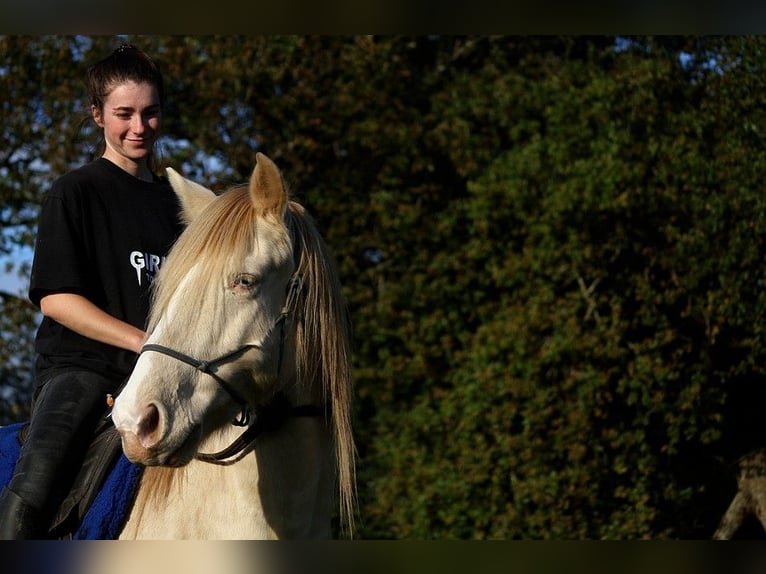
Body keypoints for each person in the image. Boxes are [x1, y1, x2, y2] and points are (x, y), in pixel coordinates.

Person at [0, 43, 184, 539]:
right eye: (124, 114)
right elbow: (56, 299)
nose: (139, 127)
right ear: (97, 114)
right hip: (81, 371)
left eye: (150, 113)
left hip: (163, 372)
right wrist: (141, 341)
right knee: (35, 486)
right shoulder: (74, 192)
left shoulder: (180, 205)